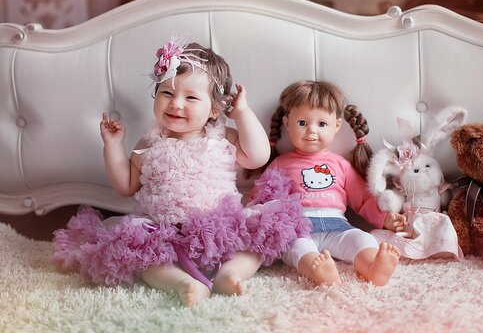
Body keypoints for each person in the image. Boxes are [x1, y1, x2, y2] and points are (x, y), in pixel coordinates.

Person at [53, 39, 310, 306]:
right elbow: (126, 186)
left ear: (214, 108)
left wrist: (242, 113)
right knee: (141, 256)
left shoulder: (224, 137)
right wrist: (114, 146)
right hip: (164, 234)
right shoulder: (150, 143)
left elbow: (258, 155)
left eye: (190, 97)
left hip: (220, 230)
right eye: (166, 93)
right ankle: (182, 282)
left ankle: (231, 273)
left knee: (255, 244)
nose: (176, 104)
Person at [251, 80, 404, 286]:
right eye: (302, 123)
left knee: (362, 239)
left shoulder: (340, 164)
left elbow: (362, 198)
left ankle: (372, 266)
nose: (311, 131)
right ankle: (318, 271)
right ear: (287, 123)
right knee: (297, 249)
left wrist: (384, 218)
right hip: (298, 228)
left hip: (337, 226)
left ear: (336, 126)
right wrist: (249, 214)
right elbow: (261, 196)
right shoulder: (280, 163)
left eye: (321, 124)